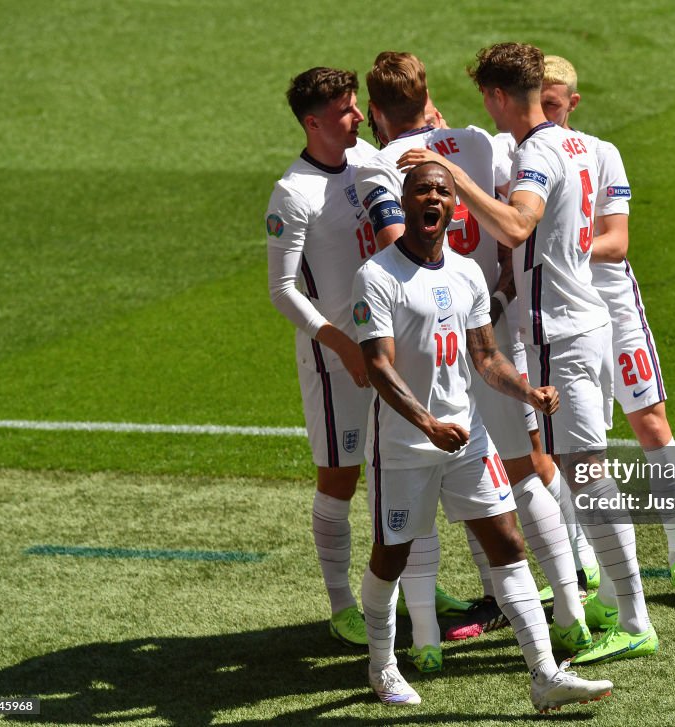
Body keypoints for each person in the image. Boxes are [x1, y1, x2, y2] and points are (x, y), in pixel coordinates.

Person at [397, 42, 658, 665]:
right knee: (576, 471)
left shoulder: (539, 151)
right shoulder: (574, 144)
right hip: (581, 322)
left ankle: (634, 618)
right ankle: (613, 606)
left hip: (563, 333)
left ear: (495, 97)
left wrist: (455, 176)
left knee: (586, 475)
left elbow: (517, 225)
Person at [352, 160, 613, 710]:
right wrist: (426, 422)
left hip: (466, 440)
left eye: (442, 192)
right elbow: (377, 365)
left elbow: (486, 356)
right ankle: (382, 667)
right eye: (422, 190)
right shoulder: (377, 276)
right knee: (391, 557)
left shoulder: (467, 273)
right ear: (406, 202)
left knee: (508, 544)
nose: (433, 198)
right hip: (404, 449)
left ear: (454, 207)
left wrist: (528, 393)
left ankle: (544, 676)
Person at [355, 51, 589, 653]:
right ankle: (570, 609)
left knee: (423, 496)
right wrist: (503, 283)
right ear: (428, 94)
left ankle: (426, 637)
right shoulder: (481, 142)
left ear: (376, 112)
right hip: (493, 322)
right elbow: (512, 219)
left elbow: (402, 250)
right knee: (525, 469)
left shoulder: (379, 164)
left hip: (432, 340)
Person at [538, 57, 675, 633]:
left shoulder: (600, 152)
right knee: (564, 440)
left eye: (556, 104)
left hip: (611, 304)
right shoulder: (524, 155)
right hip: (559, 313)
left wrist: (556, 246)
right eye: (538, 103)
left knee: (651, 424)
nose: (548, 114)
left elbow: (616, 242)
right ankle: (587, 563)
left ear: (574, 103)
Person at [265, 67, 378, 648]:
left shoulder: (367, 161)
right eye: (344, 112)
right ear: (313, 123)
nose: (358, 117)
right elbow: (283, 290)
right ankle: (340, 606)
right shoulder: (294, 192)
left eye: (355, 107)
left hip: (387, 350)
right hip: (335, 365)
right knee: (341, 478)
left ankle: (413, 582)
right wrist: (339, 344)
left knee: (398, 470)